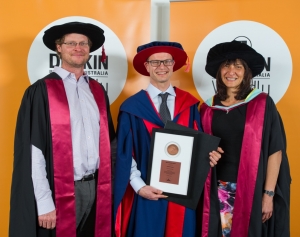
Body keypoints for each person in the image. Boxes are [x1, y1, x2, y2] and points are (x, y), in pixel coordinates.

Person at [9, 22, 116, 237]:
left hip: (97, 187)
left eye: (83, 43)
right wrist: (44, 201)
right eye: (71, 43)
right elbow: (34, 151)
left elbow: (109, 143)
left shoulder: (96, 91)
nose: (78, 48)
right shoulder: (41, 91)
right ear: (59, 47)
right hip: (59, 189)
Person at [113, 41, 222, 237]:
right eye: (155, 62)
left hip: (182, 196)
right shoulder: (131, 108)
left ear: (173, 65)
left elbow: (198, 147)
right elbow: (124, 154)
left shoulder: (189, 105)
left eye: (166, 62)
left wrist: (210, 156)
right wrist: (139, 187)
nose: (161, 67)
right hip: (148, 191)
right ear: (146, 67)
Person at [199, 40, 291, 237]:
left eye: (238, 66)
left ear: (246, 72)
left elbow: (275, 151)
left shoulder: (262, 103)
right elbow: (199, 148)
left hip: (253, 188)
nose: (231, 71)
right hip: (218, 189)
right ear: (219, 71)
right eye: (226, 65)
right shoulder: (207, 108)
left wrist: (268, 195)